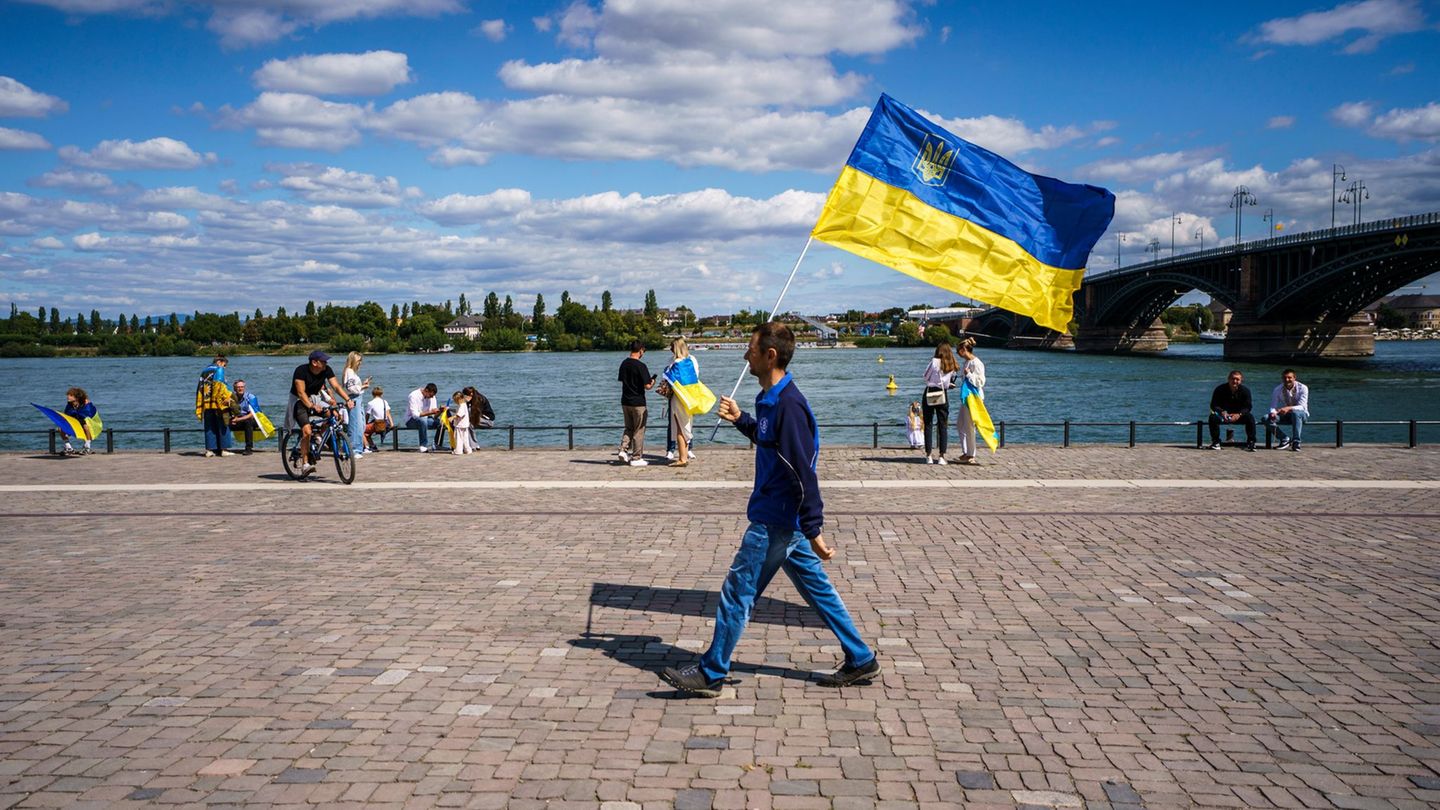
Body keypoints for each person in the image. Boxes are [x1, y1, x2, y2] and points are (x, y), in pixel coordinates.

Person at [659, 322, 880, 697]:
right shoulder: (772, 400)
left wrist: (814, 530)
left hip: (776, 519)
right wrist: (742, 419)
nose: (746, 356)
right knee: (819, 593)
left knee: (737, 591)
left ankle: (712, 672)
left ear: (770, 356)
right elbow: (769, 440)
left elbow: (802, 471)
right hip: (783, 519)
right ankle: (861, 658)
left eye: (751, 350)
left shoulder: (789, 405)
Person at [291, 350, 353, 474]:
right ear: (314, 362)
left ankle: (319, 435)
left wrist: (348, 399)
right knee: (307, 431)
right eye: (323, 361)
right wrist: (311, 406)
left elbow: (336, 386)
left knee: (334, 415)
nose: (326, 363)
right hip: (300, 402)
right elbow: (300, 392)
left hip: (316, 399)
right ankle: (305, 464)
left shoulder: (326, 370)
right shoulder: (301, 371)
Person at [662, 337, 699, 467]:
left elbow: (667, 378)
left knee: (678, 427)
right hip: (689, 397)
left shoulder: (675, 363)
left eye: (672, 347)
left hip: (677, 397)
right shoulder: (690, 361)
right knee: (686, 425)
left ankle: (682, 458)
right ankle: (685, 454)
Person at [617, 340, 654, 467]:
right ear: (641, 350)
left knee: (628, 427)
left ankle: (623, 450)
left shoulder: (624, 364)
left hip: (625, 401)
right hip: (638, 402)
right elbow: (648, 386)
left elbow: (622, 381)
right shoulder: (641, 366)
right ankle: (636, 457)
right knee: (639, 429)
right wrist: (653, 381)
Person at [920, 342, 958, 464]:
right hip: (943, 394)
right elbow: (950, 381)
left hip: (930, 392)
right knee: (943, 425)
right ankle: (941, 456)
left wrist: (934, 380)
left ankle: (929, 455)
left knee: (928, 424)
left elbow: (925, 377)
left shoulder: (934, 362)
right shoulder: (952, 364)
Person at [953, 338, 987, 465]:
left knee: (969, 426)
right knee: (960, 424)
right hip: (966, 397)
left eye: (959, 351)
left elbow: (981, 382)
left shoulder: (977, 363)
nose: (958, 354)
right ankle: (966, 451)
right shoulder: (967, 362)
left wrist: (969, 375)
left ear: (964, 350)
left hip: (974, 398)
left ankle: (971, 454)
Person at [1207, 369, 1256, 451]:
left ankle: (1251, 442)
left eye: (1237, 379)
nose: (1235, 381)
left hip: (1238, 415)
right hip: (1223, 415)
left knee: (1250, 418)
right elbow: (1214, 405)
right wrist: (1222, 412)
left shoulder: (1245, 391)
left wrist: (1239, 414)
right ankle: (1216, 442)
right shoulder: (1220, 389)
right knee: (1212, 418)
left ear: (1241, 380)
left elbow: (1248, 407)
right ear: (1228, 379)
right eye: (1233, 379)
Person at [195, 355, 233, 457]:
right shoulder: (219, 369)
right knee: (223, 425)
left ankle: (210, 450)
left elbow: (200, 388)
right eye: (224, 365)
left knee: (209, 427)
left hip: (206, 404)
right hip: (218, 404)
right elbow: (219, 386)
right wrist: (226, 398)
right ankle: (224, 450)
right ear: (219, 362)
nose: (224, 368)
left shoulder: (204, 371)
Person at [1266, 369, 1310, 452]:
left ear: (1294, 378)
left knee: (1296, 413)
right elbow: (1273, 406)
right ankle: (1284, 439)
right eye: (1284, 378)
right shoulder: (1277, 389)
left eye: (1289, 377)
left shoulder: (1303, 388)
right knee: (1266, 418)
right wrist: (1273, 413)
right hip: (1286, 414)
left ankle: (1296, 442)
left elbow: (1302, 407)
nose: (1287, 380)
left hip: (1301, 415)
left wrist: (1288, 408)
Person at [341, 352, 371, 458]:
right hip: (354, 398)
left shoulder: (351, 372)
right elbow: (350, 388)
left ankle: (357, 448)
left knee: (361, 424)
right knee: (355, 425)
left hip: (358, 398)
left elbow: (352, 386)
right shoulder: (349, 371)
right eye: (359, 361)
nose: (360, 363)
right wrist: (362, 387)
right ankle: (353, 449)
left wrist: (362, 385)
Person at [405, 383, 442, 452]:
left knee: (441, 423)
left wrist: (440, 411)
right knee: (423, 420)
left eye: (433, 396)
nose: (431, 397)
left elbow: (434, 416)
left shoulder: (432, 397)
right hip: (411, 420)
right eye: (430, 395)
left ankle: (437, 444)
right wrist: (430, 412)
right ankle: (423, 445)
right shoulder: (413, 396)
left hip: (426, 419)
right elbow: (415, 415)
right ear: (426, 390)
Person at [61, 387, 98, 455]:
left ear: (77, 397)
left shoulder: (86, 404)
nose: (68, 397)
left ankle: (87, 447)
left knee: (85, 426)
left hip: (85, 423)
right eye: (68, 395)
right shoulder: (69, 405)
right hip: (74, 423)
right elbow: (67, 415)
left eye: (71, 395)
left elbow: (89, 415)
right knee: (61, 428)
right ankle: (69, 448)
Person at [228, 379, 262, 455]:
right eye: (238, 387)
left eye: (242, 387)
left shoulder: (251, 397)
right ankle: (221, 448)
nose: (240, 389)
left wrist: (237, 420)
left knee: (248, 421)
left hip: (253, 419)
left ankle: (249, 448)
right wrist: (231, 420)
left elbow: (252, 415)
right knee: (222, 422)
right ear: (234, 388)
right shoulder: (231, 398)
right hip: (238, 419)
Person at [364, 386, 393, 452]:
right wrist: (392, 424)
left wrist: (365, 424)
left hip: (377, 425)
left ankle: (367, 447)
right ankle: (372, 446)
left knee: (362, 430)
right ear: (381, 394)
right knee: (367, 433)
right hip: (385, 424)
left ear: (372, 394)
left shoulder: (370, 403)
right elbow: (388, 413)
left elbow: (367, 415)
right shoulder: (384, 402)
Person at [450, 391, 474, 455]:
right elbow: (457, 411)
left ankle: (458, 451)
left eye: (455, 400)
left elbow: (459, 414)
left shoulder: (461, 405)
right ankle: (468, 450)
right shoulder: (463, 405)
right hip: (465, 425)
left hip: (460, 425)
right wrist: (449, 409)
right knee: (465, 438)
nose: (455, 402)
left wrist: (452, 417)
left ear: (459, 399)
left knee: (458, 439)